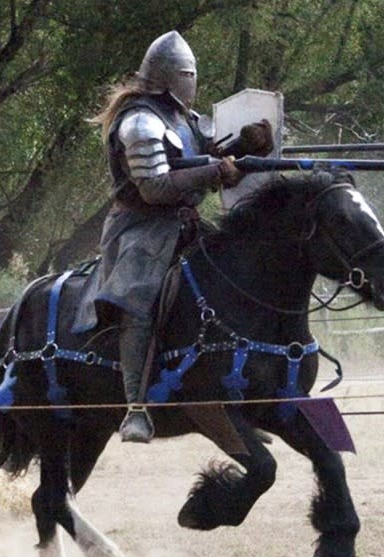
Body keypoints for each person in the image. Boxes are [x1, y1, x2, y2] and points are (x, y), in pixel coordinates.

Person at [80, 30, 274, 443]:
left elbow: (206, 153)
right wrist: (214, 172)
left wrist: (245, 144)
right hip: (140, 231)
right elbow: (155, 188)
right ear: (174, 77)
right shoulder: (140, 122)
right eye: (189, 74)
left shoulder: (183, 119)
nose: (193, 81)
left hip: (184, 224)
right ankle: (136, 408)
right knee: (140, 301)